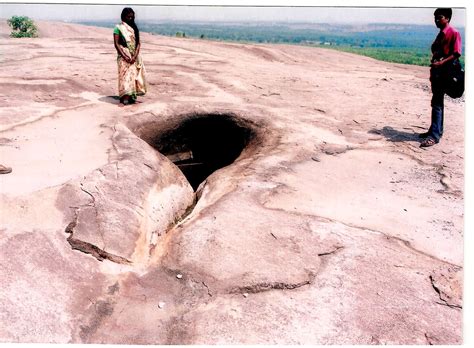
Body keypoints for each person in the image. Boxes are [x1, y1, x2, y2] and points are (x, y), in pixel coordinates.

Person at [419, 8, 462, 147]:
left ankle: (434, 136)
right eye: (435, 17)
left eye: (440, 17)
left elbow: (456, 53)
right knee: (436, 102)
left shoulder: (453, 33)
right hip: (438, 73)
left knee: (437, 103)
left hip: (445, 73)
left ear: (448, 18)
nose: (437, 20)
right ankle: (435, 130)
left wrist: (441, 62)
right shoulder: (440, 34)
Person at [113, 7, 147, 105]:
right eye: (128, 17)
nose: (130, 19)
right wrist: (125, 56)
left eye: (132, 17)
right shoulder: (118, 28)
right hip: (123, 57)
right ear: (123, 17)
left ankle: (132, 97)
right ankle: (124, 97)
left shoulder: (134, 28)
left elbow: (138, 43)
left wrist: (135, 56)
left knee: (133, 77)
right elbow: (116, 44)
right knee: (124, 77)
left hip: (134, 57)